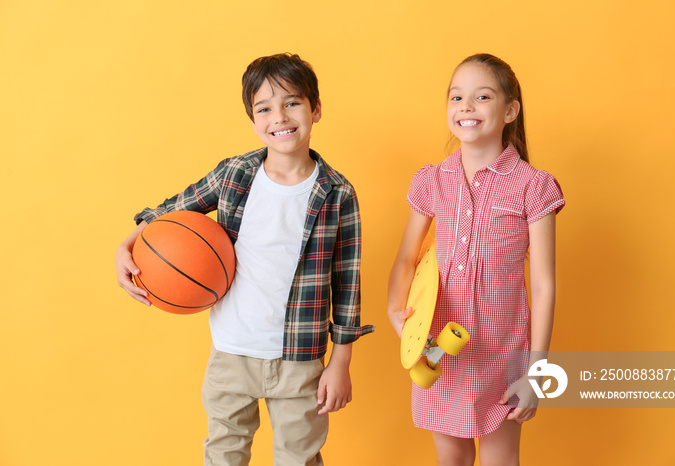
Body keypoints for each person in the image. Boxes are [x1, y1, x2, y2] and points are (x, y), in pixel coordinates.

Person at [115, 53, 374, 466]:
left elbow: (347, 285)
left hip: (300, 358)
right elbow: (172, 212)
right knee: (223, 454)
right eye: (265, 108)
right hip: (232, 350)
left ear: (316, 109)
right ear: (253, 121)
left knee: (300, 457)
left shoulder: (337, 192)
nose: (280, 117)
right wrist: (125, 246)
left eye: (292, 102)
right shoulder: (234, 174)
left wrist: (340, 362)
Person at [387, 53, 565, 466]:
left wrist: (535, 373)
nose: (466, 107)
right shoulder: (432, 180)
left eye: (481, 96)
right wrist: (398, 313)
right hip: (440, 354)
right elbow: (405, 260)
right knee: (450, 459)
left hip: (503, 356)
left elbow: (543, 285)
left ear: (510, 110)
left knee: (500, 460)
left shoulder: (533, 187)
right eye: (456, 97)